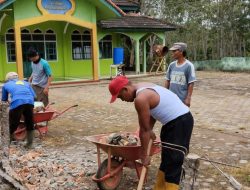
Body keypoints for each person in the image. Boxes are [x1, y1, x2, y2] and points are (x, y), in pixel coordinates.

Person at [109, 76, 194, 190]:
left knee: (174, 162)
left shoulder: (140, 99)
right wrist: (149, 130)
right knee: (166, 160)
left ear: (125, 89)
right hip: (170, 123)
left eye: (120, 96)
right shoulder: (143, 86)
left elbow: (144, 130)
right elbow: (152, 113)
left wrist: (144, 155)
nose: (122, 100)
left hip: (180, 123)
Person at [1, 72, 36, 148]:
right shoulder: (26, 83)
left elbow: (4, 100)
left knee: (13, 123)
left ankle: (6, 145)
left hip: (17, 102)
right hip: (30, 101)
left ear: (8, 79)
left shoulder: (6, 85)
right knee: (30, 122)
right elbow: (34, 96)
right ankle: (30, 144)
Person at [165, 42, 196, 107]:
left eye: (174, 51)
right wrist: (165, 94)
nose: (172, 53)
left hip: (182, 99)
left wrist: (188, 98)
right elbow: (167, 80)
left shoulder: (189, 66)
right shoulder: (172, 65)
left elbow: (191, 83)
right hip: (171, 98)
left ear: (181, 52)